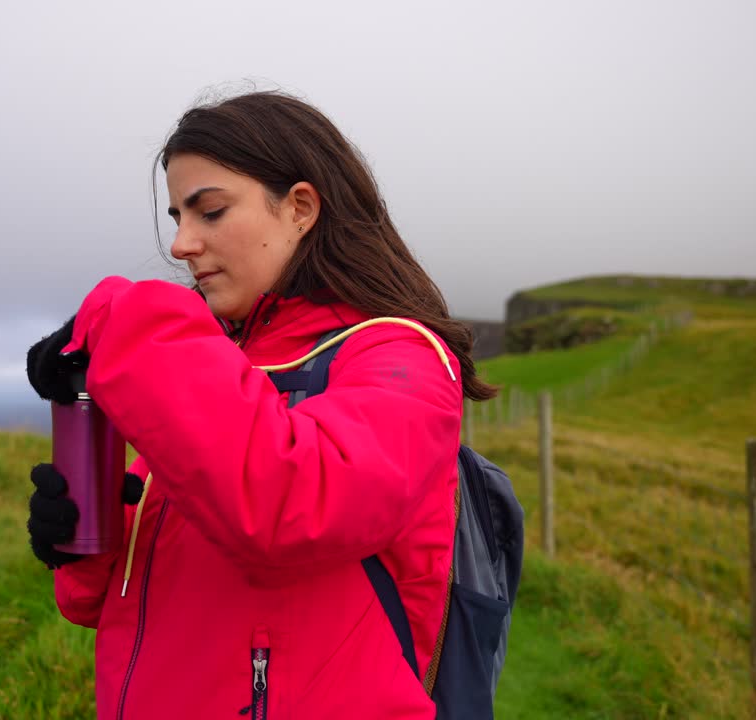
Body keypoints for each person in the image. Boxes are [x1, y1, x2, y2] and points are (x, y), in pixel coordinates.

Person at [26, 90, 495, 719]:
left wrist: (121, 314)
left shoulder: (400, 356)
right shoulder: (214, 370)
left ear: (300, 208)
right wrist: (88, 542)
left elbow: (289, 504)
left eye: (210, 211)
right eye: (177, 218)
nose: (181, 245)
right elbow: (96, 605)